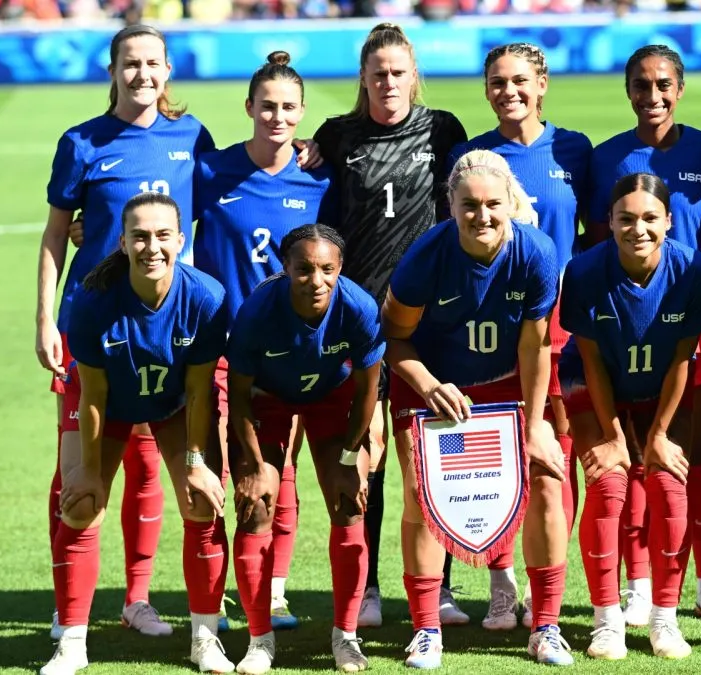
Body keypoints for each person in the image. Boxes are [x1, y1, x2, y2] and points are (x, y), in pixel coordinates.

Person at [35, 23, 214, 642]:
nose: (142, 74)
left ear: (167, 72)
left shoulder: (192, 137)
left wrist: (304, 151)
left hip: (165, 331)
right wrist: (43, 317)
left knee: (146, 465)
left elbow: (224, 201)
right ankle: (70, 606)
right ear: (112, 71)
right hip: (93, 329)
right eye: (130, 64)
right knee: (79, 469)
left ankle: (136, 599)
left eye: (152, 64)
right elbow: (58, 234)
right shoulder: (81, 142)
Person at [381, 149, 572, 668]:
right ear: (451, 206)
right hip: (430, 385)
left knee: (549, 483)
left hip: (506, 383)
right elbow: (393, 340)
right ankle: (425, 630)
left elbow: (536, 349)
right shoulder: (426, 257)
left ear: (511, 202)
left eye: (492, 204)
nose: (481, 215)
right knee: (423, 496)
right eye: (469, 205)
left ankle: (548, 626)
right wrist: (428, 383)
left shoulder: (536, 252)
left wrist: (534, 427)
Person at [313, 21, 468, 629]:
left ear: (414, 76)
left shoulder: (442, 129)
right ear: (364, 79)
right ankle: (371, 586)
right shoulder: (338, 135)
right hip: (361, 320)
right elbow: (311, 208)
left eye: (399, 72)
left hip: (431, 320)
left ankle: (443, 588)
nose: (388, 83)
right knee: (367, 455)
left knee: (436, 454)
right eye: (378, 73)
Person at [41, 192, 232, 675]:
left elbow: (199, 389)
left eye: (163, 236)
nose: (152, 247)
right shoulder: (91, 301)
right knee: (82, 504)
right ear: (122, 242)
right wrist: (86, 471)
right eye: (140, 237)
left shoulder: (206, 297)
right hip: (110, 406)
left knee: (202, 502)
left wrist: (196, 464)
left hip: (173, 406)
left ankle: (205, 640)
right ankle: (72, 642)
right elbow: (92, 396)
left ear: (180, 241)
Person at [587, 44, 701, 627]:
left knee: (695, 456)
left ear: (680, 88)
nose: (652, 96)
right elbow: (599, 242)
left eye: (663, 85)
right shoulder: (605, 159)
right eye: (641, 85)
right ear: (627, 91)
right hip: (625, 326)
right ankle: (639, 586)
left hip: (693, 321)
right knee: (631, 456)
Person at [447, 41, 592, 631]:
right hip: (497, 333)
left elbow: (597, 234)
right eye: (498, 82)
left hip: (562, 328)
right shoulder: (469, 157)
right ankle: (500, 581)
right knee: (499, 458)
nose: (509, 91)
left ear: (543, 84)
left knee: (558, 458)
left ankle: (544, 586)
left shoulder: (575, 150)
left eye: (520, 81)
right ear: (486, 90)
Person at [193, 49, 338, 632]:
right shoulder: (211, 172)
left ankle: (271, 591)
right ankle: (214, 594)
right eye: (267, 107)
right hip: (224, 350)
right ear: (248, 107)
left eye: (288, 108)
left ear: (302, 113)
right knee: (224, 470)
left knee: (283, 472)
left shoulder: (320, 181)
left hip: (293, 352)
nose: (277, 117)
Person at [559, 173, 701, 660]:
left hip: (664, 391)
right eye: (626, 219)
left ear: (669, 221)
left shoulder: (694, 270)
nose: (638, 229)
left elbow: (682, 359)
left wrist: (661, 435)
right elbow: (591, 361)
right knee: (608, 485)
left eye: (650, 218)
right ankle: (607, 621)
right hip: (596, 385)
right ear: (609, 222)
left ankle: (665, 619)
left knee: (669, 484)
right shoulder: (583, 272)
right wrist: (612, 435)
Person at [226, 225, 383, 674]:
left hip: (332, 400)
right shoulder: (257, 312)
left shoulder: (359, 308)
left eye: (327, 270)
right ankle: (259, 641)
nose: (316, 280)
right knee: (256, 503)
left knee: (349, 500)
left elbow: (368, 389)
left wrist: (355, 456)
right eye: (304, 269)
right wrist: (255, 465)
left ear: (340, 269)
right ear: (286, 268)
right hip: (267, 401)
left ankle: (346, 637)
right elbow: (238, 398)